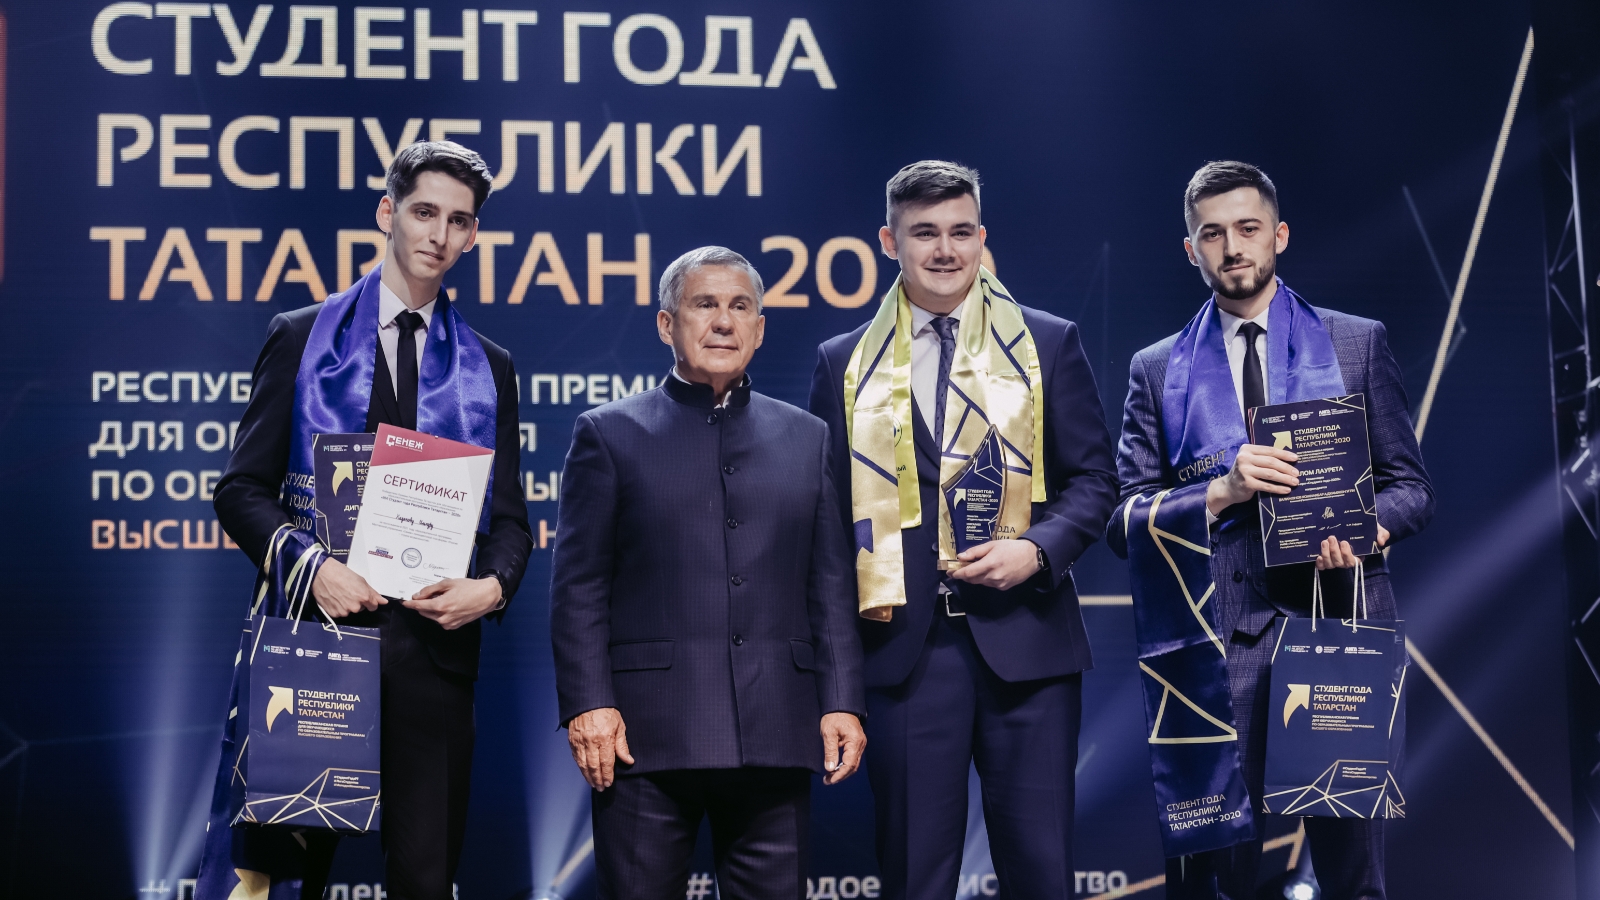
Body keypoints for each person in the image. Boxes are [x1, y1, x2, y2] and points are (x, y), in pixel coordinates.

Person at [204, 141, 533, 900]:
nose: (438, 235)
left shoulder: (490, 366)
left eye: (459, 221)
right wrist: (312, 567)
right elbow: (240, 490)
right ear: (388, 213)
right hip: (312, 650)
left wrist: (490, 588)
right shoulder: (301, 335)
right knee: (279, 883)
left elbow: (511, 523)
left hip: (433, 667)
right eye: (424, 212)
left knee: (425, 882)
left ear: (473, 235)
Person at [1106, 160, 1434, 899]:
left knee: (1353, 877)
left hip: (1340, 627)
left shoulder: (1356, 343)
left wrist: (1367, 530)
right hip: (1215, 652)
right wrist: (1219, 493)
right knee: (1212, 883)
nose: (1232, 248)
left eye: (1247, 229)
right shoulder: (1156, 369)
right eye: (1212, 234)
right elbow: (1125, 521)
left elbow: (1413, 490)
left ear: (1278, 235)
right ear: (1191, 248)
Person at [809, 161, 1118, 900]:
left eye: (960, 232)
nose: (945, 250)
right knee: (915, 878)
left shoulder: (1047, 342)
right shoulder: (843, 362)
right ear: (890, 242)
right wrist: (839, 683)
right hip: (906, 656)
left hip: (1029, 648)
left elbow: (1095, 482)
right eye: (924, 234)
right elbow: (828, 533)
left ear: (982, 237)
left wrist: (1036, 549)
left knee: (1041, 875)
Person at [550, 246, 867, 900]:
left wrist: (841, 699)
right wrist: (588, 704)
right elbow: (579, 587)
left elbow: (830, 585)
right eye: (705, 304)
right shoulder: (608, 434)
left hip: (776, 729)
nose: (724, 321)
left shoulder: (807, 437)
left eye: (740, 306)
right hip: (643, 736)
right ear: (667, 324)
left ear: (760, 328)